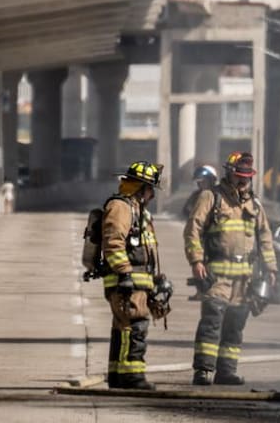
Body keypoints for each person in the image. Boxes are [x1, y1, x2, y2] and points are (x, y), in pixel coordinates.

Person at [183, 151, 277, 386]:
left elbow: (265, 238)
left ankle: (226, 371)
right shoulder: (210, 197)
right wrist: (196, 261)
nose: (243, 180)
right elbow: (192, 229)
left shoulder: (255, 205)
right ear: (229, 173)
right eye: (239, 175)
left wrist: (271, 268)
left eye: (247, 176)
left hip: (244, 280)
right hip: (217, 276)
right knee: (212, 323)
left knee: (235, 326)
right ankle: (203, 370)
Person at [100, 161, 164, 391]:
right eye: (150, 189)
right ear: (140, 187)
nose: (152, 195)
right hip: (126, 281)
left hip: (138, 281)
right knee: (134, 326)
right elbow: (113, 242)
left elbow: (147, 250)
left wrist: (157, 280)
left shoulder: (139, 211)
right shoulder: (121, 207)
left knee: (123, 327)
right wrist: (124, 273)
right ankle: (132, 377)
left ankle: (118, 376)